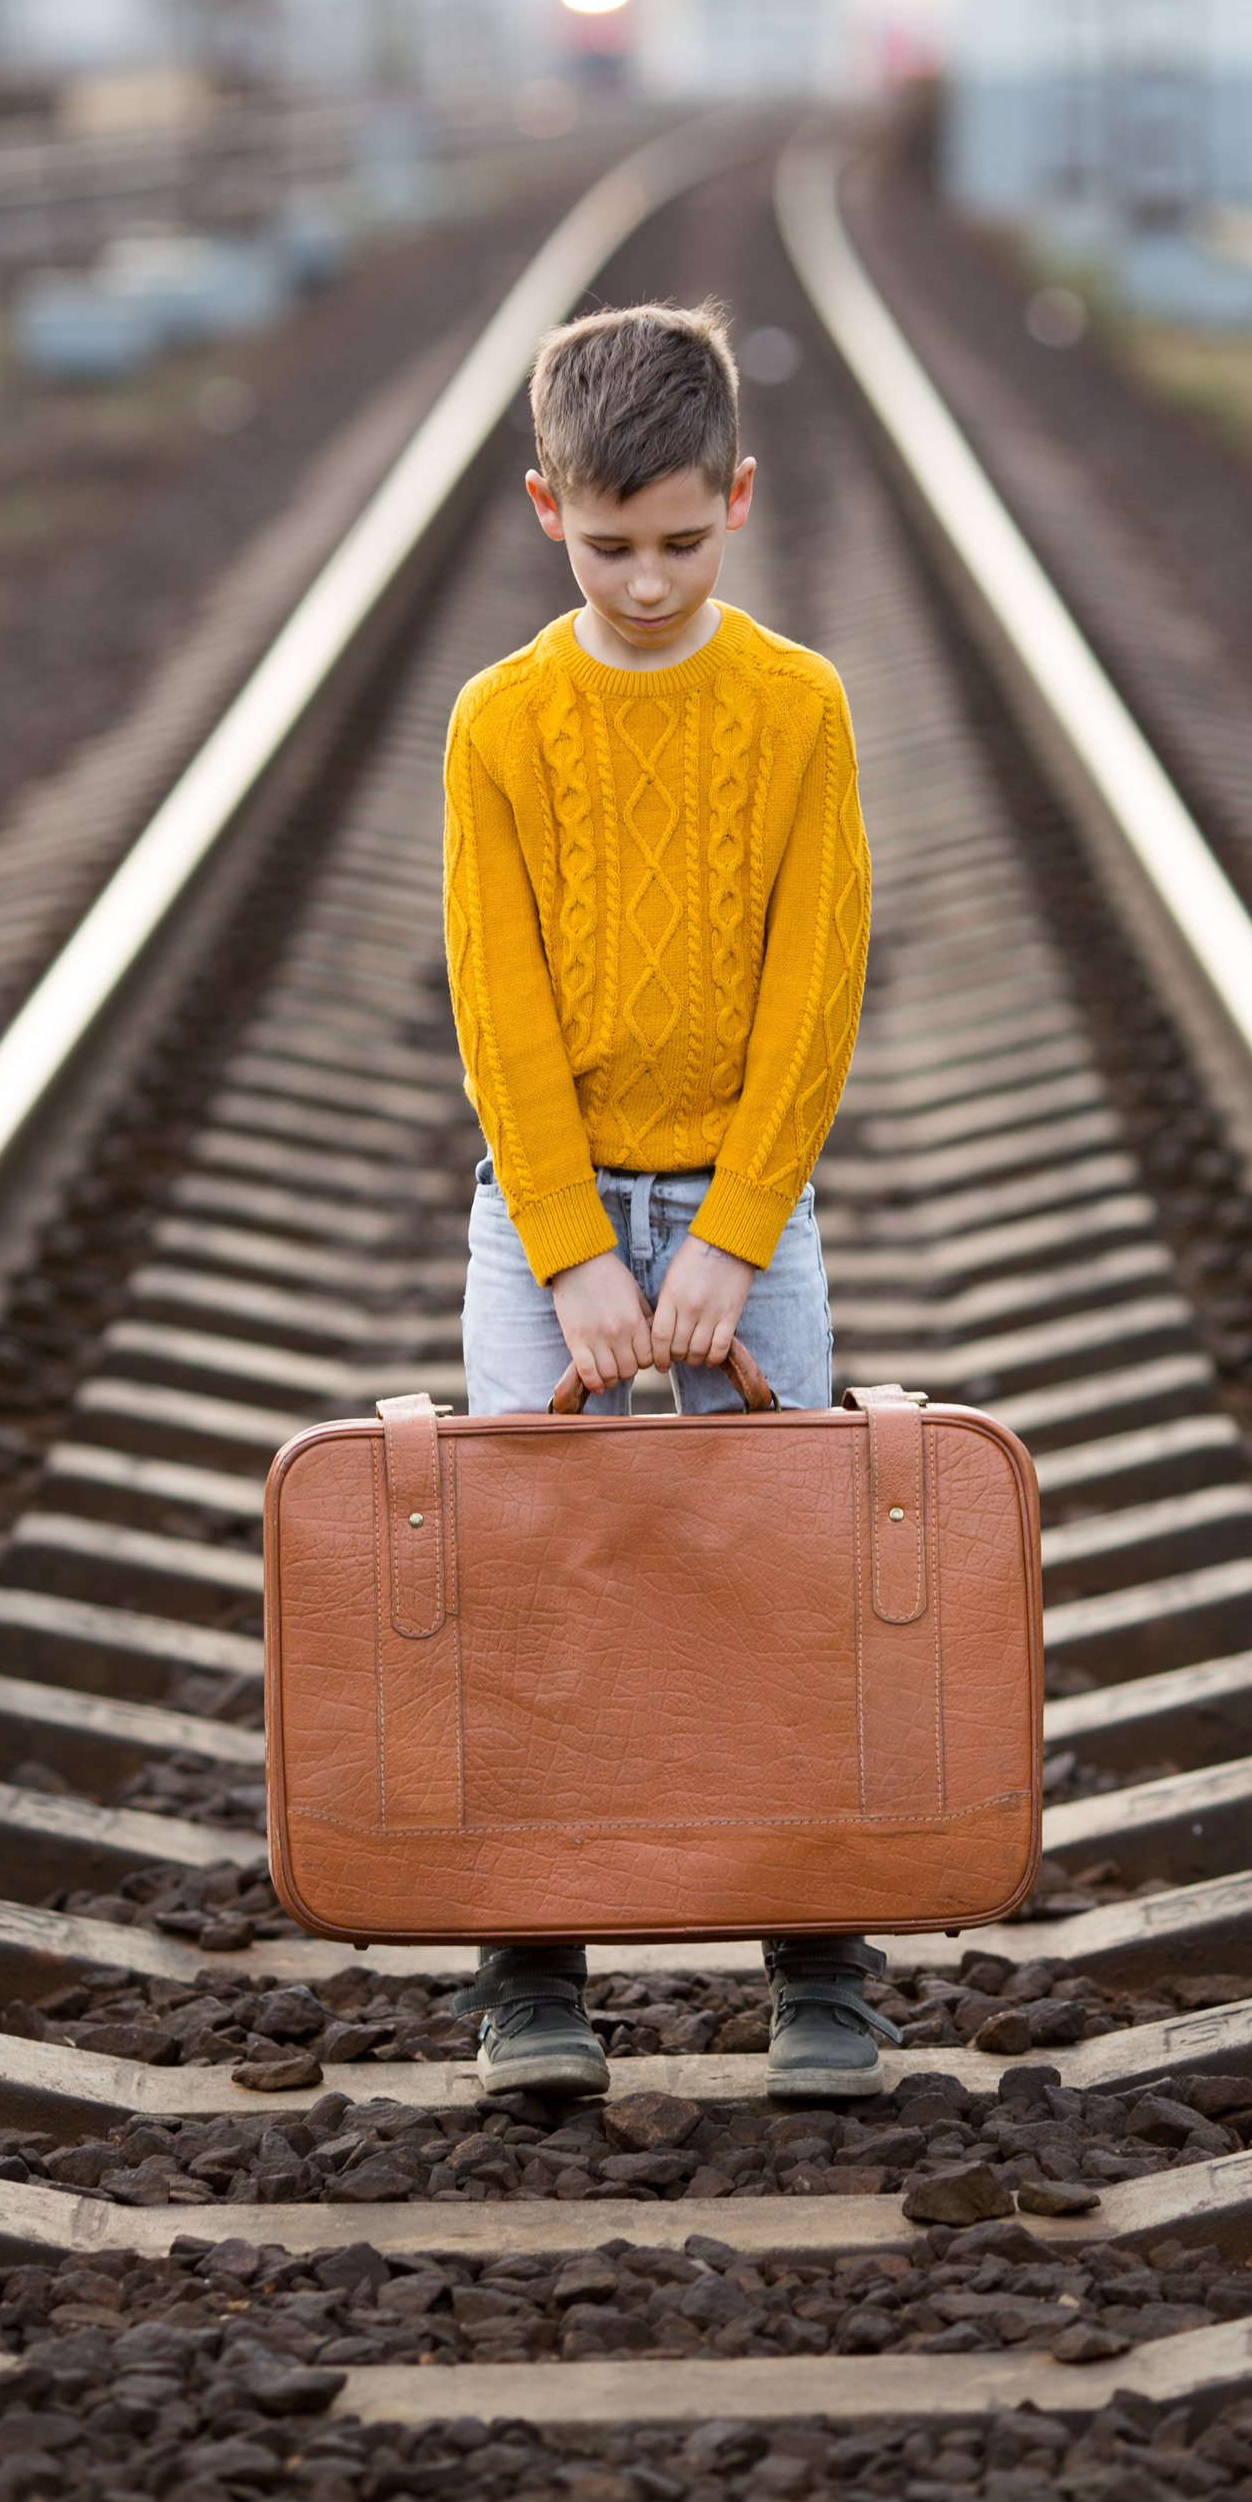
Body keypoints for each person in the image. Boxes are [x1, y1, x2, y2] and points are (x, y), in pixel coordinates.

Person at [440, 296, 895, 2104]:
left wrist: (728, 1234)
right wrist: (567, 1251)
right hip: (538, 1218)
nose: (645, 579)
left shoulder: (797, 707)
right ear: (547, 508)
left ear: (741, 500)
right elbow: (498, 1003)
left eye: (683, 541)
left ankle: (820, 1975)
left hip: (740, 1214)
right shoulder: (500, 724)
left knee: (773, 1570)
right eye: (609, 542)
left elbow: (817, 988)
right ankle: (533, 1978)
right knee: (531, 1574)